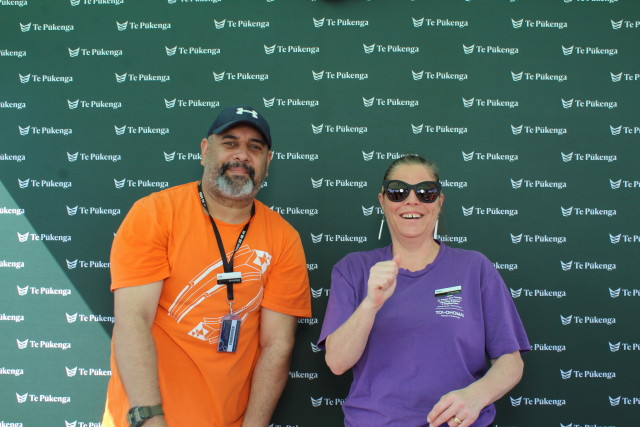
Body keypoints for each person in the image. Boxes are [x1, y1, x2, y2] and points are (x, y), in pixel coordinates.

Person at [102, 106, 312, 427]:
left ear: (267, 162)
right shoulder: (155, 214)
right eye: (230, 143)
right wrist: (150, 419)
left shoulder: (284, 238)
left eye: (255, 147)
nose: (242, 154)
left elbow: (277, 346)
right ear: (204, 150)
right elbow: (133, 321)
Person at [318, 154, 529, 427]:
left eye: (425, 192)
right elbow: (336, 362)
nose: (412, 200)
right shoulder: (352, 269)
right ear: (382, 200)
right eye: (398, 191)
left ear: (439, 202)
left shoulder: (475, 268)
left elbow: (511, 362)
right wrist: (370, 304)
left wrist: (477, 395)